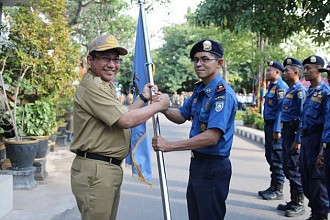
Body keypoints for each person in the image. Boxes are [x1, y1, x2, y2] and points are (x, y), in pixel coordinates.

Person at [69, 34, 170, 220]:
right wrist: (159, 105)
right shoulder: (92, 86)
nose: (112, 64)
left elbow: (122, 115)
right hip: (97, 170)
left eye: (116, 59)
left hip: (105, 169)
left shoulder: (103, 84)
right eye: (105, 58)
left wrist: (144, 98)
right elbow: (125, 121)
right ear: (90, 60)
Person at [152, 39, 237, 220]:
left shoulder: (223, 95)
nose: (199, 64)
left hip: (213, 167)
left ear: (219, 63)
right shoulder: (200, 90)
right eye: (196, 60)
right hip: (198, 165)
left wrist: (170, 146)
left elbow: (211, 137)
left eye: (205, 59)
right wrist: (163, 106)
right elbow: (181, 116)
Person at [300, 55, 330, 220]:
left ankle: (321, 214)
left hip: (317, 140)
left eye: (308, 68)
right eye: (304, 68)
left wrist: (321, 150)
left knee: (318, 179)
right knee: (306, 179)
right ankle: (314, 212)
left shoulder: (325, 92)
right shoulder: (309, 91)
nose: (305, 71)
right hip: (306, 140)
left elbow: (327, 122)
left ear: (319, 70)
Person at [276, 58, 306, 217]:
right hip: (287, 133)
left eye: (287, 70)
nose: (284, 72)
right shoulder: (291, 89)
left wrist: (298, 140)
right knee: (288, 167)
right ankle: (293, 200)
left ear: (295, 72)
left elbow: (303, 117)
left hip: (294, 134)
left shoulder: (300, 91)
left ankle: (300, 203)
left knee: (294, 169)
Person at [258, 61, 289, 200]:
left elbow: (281, 110)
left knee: (277, 157)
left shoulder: (281, 87)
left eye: (269, 71)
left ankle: (278, 189)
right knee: (270, 156)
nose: (267, 73)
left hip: (275, 127)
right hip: (269, 125)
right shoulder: (272, 86)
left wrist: (277, 129)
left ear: (277, 72)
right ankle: (273, 185)